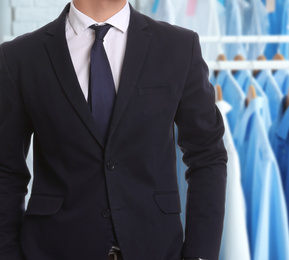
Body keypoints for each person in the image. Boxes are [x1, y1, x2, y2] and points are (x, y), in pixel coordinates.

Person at [0, 0, 228, 259]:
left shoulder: (178, 47)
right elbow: (6, 170)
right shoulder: (20, 57)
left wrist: (201, 255)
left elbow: (208, 155)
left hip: (156, 248)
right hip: (54, 248)